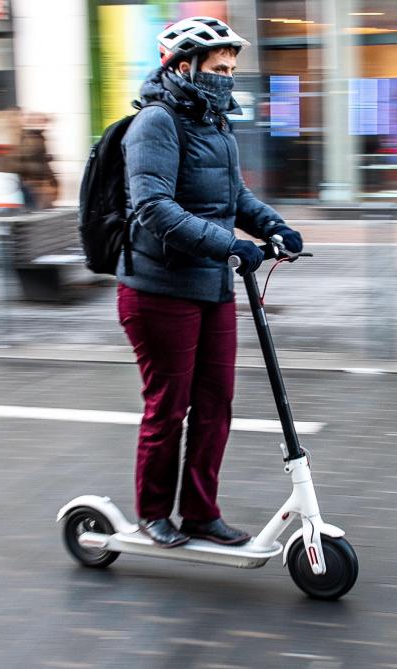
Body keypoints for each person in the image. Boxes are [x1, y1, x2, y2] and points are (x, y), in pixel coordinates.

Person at [118, 16, 303, 548]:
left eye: (232, 69)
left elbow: (234, 200)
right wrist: (230, 245)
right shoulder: (155, 123)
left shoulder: (216, 124)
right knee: (169, 407)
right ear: (182, 67)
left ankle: (200, 512)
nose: (228, 77)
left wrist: (273, 226)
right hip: (158, 290)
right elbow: (153, 207)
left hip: (211, 287)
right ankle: (154, 512)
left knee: (216, 403)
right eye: (218, 68)